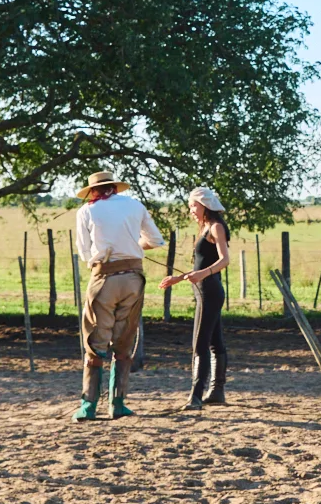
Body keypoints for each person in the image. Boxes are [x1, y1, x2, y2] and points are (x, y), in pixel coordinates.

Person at [71, 168, 165, 421]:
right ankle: (118, 403)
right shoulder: (135, 206)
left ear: (93, 191)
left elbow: (84, 252)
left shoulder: (87, 211)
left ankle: (88, 406)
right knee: (125, 337)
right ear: (114, 187)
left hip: (104, 277)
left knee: (95, 338)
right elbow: (156, 240)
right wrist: (134, 246)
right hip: (134, 277)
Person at [162, 187, 231, 409]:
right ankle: (217, 391)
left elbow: (224, 260)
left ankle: (195, 397)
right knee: (214, 342)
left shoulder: (216, 227)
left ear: (205, 206)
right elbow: (199, 266)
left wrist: (202, 274)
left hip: (210, 290)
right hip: (206, 289)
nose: (191, 210)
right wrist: (179, 278)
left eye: (194, 205)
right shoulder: (205, 228)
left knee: (199, 344)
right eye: (191, 206)